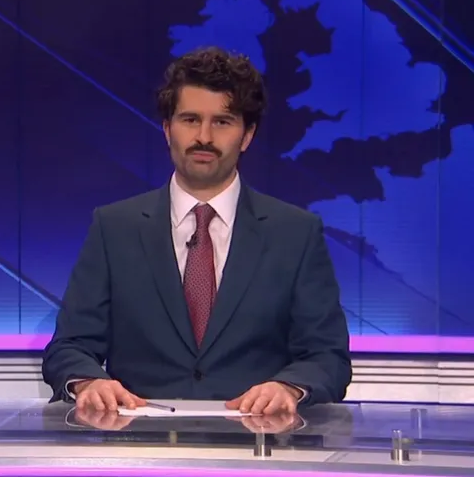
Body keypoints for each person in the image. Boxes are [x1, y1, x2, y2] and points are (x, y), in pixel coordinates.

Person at [42, 47, 351, 417]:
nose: (204, 137)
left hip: (257, 449)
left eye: (222, 122)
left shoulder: (295, 233)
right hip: (140, 449)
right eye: (190, 120)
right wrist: (90, 382)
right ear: (167, 128)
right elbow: (69, 346)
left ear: (247, 135)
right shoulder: (114, 227)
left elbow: (327, 356)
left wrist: (286, 387)